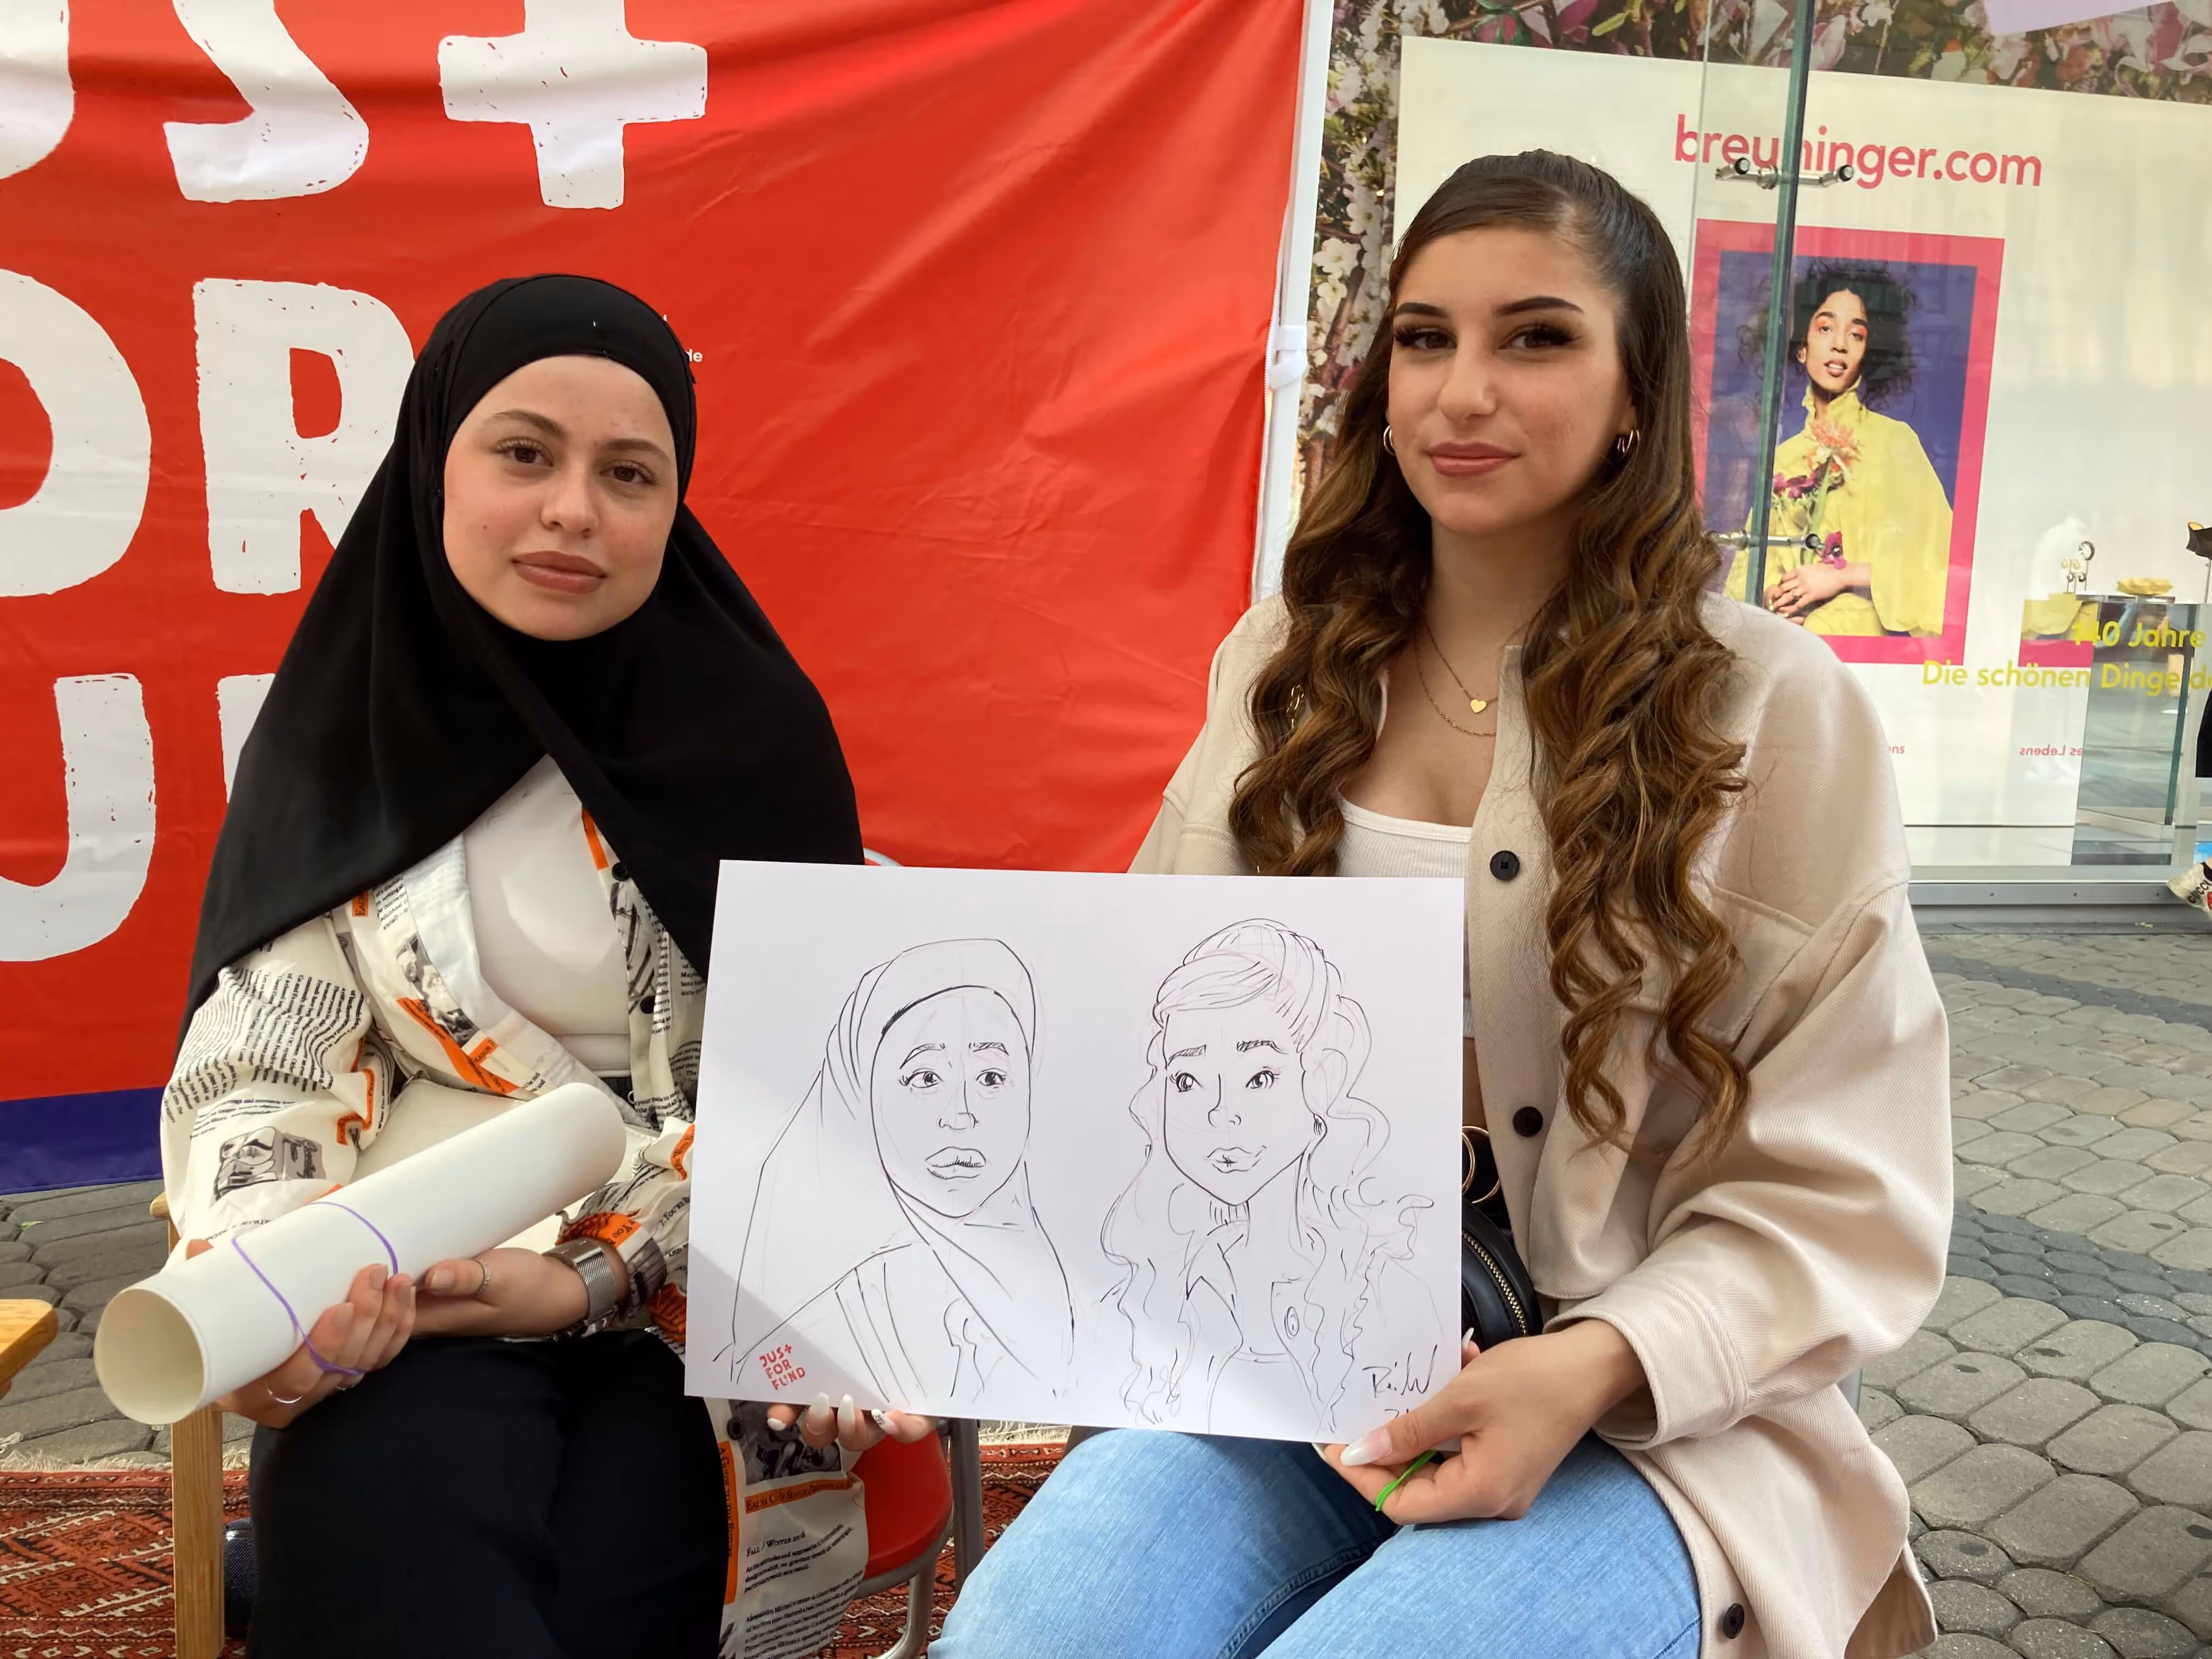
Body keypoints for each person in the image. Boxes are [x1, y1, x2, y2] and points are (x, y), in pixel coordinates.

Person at [935, 153, 1950, 1658]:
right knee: (1031, 1632)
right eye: (1425, 337)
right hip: (1294, 1374)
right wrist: (936, 1258)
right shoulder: (1284, 657)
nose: (1463, 388)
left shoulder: (1770, 709)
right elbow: (1144, 1021)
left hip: (1645, 1417)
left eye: (1535, 337)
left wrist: (1594, 1365)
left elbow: (1850, 1182)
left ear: (1634, 393)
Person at [160, 274, 930, 1659]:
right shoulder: (347, 726)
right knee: (397, 1540)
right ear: (432, 462)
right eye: (524, 454)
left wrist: (588, 1271)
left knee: (608, 1593)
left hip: (687, 1319)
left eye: (628, 474)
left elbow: (817, 1105)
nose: (575, 509)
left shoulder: (756, 744)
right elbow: (264, 1063)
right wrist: (266, 1291)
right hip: (400, 1314)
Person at [1102, 919, 1437, 1437]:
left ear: (1320, 1078)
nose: (1221, 1112)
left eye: (1259, 1077)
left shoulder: (1391, 1296)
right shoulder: (1152, 1282)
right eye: (1187, 1080)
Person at [724, 938, 1075, 1408]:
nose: (962, 1115)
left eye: (991, 1077)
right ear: (859, 1093)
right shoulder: (837, 1314)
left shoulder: (1087, 1276)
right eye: (926, 1078)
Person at [1725, 260, 1953, 639]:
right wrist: (1774, 598)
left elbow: (1942, 570)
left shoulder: (1895, 442)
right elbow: (1749, 571)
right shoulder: (1785, 456)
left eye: (1857, 334)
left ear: (1870, 351)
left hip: (1864, 653)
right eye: (1826, 327)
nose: (1840, 344)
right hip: (1792, 646)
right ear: (1802, 347)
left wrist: (1844, 575)